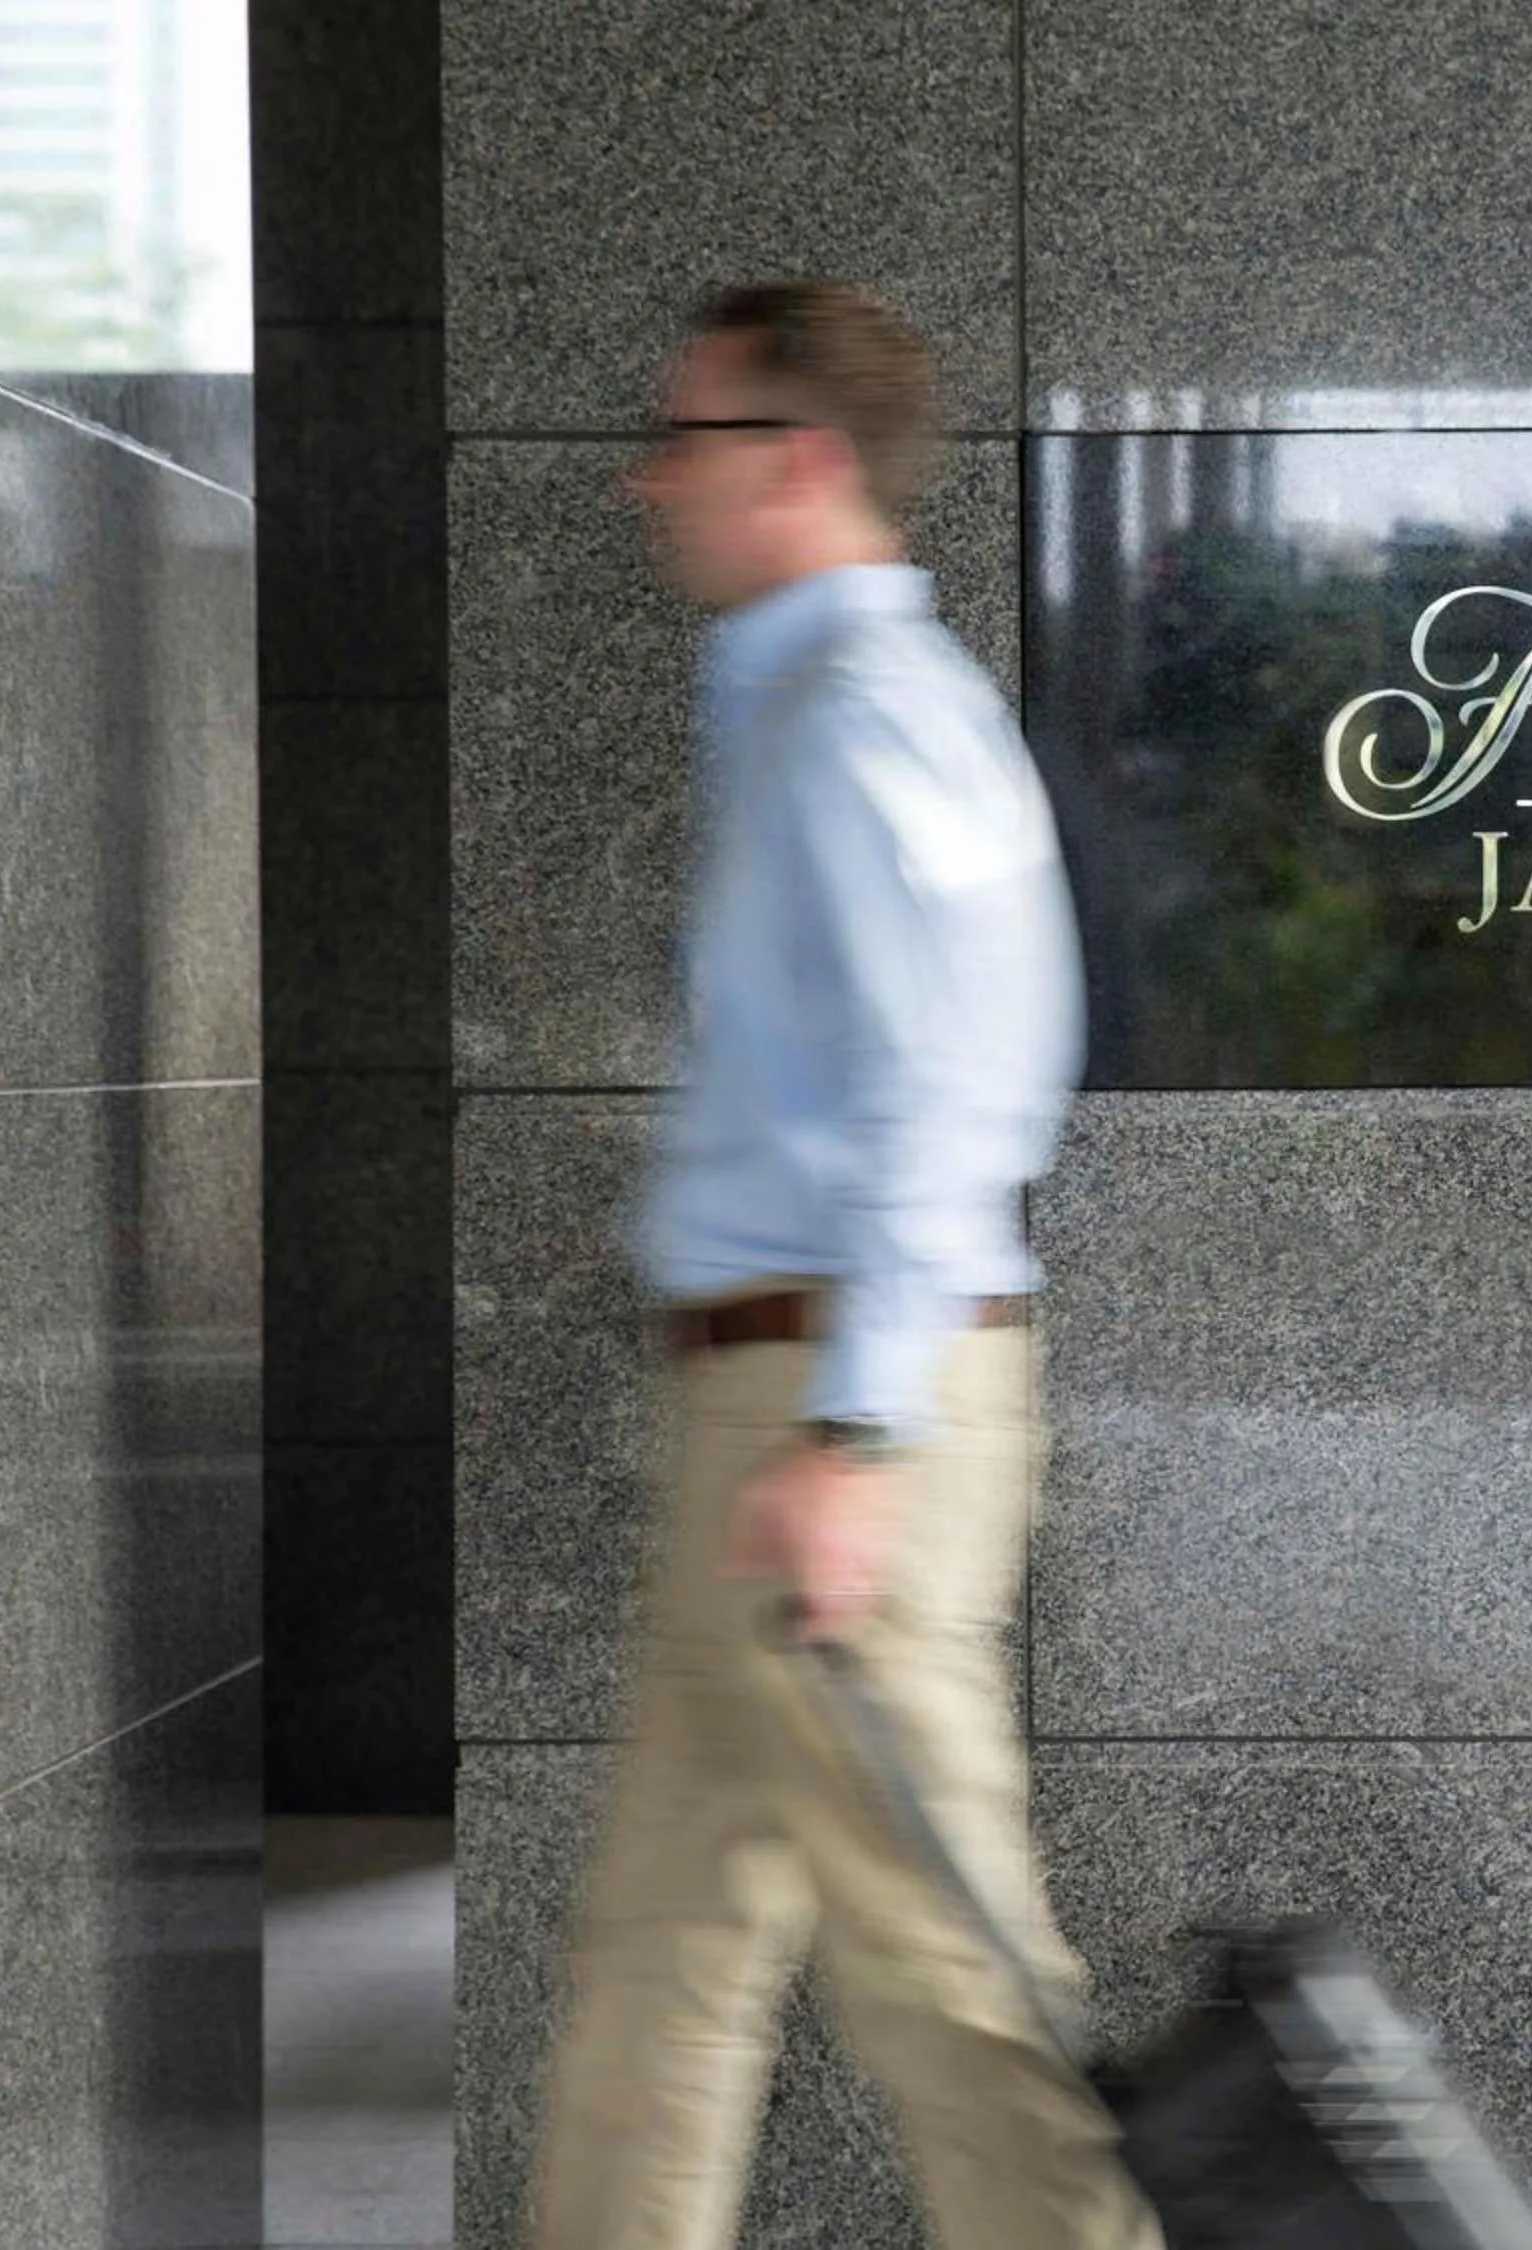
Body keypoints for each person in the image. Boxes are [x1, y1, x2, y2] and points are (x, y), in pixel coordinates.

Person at [524, 280, 1157, 2250]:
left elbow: (961, 1081)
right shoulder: (805, 704)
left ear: (797, 463)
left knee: (940, 1962)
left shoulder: (872, 715)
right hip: (776, 1394)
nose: (645, 484)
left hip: (835, 1397)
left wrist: (854, 1429)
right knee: (665, 1951)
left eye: (683, 440)